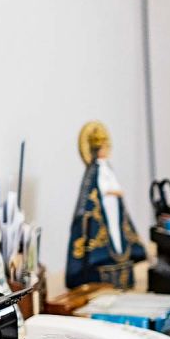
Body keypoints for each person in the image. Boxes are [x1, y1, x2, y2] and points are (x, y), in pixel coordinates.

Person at [66, 121, 147, 288]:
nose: (106, 150)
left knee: (117, 234)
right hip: (103, 208)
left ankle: (119, 255)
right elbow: (102, 189)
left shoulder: (107, 167)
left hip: (113, 208)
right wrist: (116, 193)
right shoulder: (96, 170)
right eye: (103, 147)